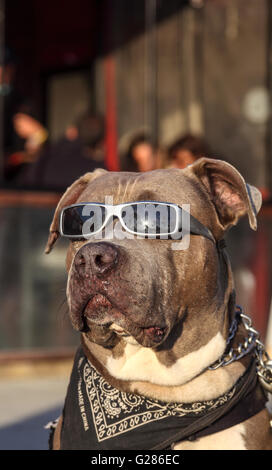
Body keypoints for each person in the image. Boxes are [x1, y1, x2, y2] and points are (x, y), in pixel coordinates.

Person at [15, 111, 106, 191]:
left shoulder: (51, 158)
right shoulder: (100, 173)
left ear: (72, 132)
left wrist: (38, 135)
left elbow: (28, 181)